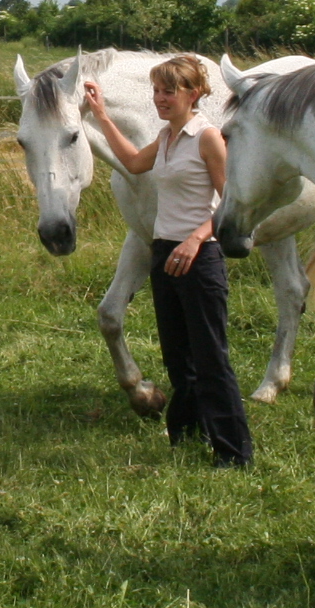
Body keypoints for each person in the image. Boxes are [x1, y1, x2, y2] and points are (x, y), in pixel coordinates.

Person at [81, 55, 253, 467]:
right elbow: (134, 163)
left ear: (193, 94)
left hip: (199, 257)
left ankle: (233, 451)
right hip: (164, 253)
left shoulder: (207, 137)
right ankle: (187, 433)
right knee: (178, 356)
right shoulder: (167, 137)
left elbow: (231, 203)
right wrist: (102, 116)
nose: (160, 99)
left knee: (211, 358)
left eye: (168, 92)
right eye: (156, 91)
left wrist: (195, 240)